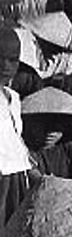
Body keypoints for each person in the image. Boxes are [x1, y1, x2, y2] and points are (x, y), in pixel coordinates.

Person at [0, 26, 33, 225]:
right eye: (0, 57)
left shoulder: (13, 99)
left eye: (12, 60)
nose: (5, 66)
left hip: (16, 180)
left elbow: (15, 141)